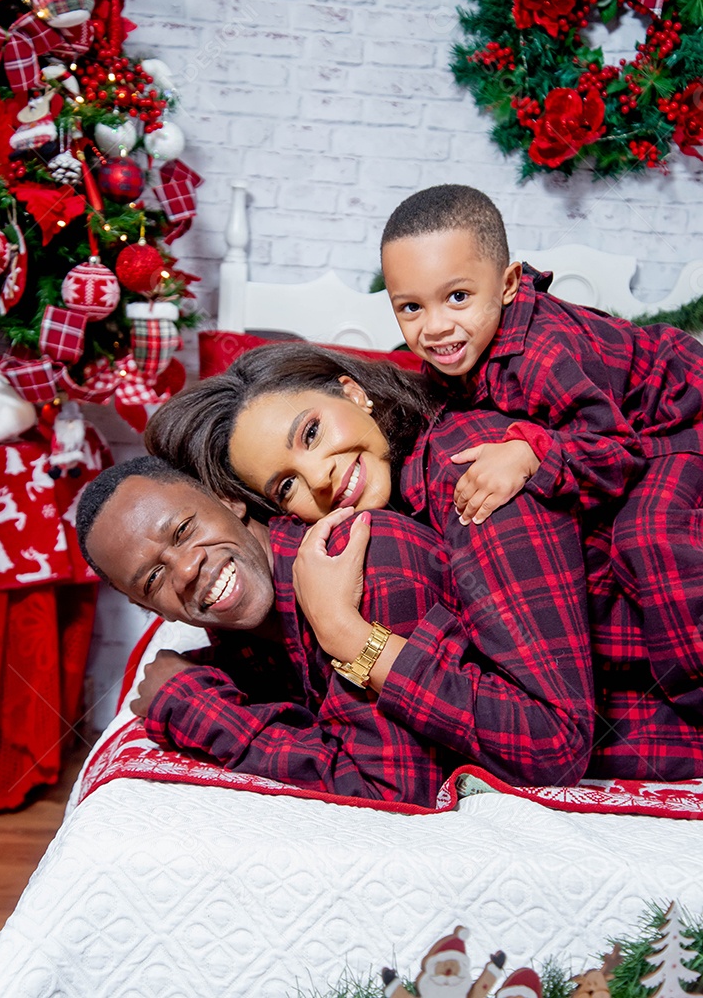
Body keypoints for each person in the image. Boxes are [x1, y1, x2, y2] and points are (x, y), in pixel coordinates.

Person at [146, 343, 703, 779]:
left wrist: (348, 636)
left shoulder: (472, 479)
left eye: (311, 432)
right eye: (286, 483)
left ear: (355, 393)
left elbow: (554, 744)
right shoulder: (379, 521)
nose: (319, 477)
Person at [76, 456, 595, 801]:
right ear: (149, 607)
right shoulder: (242, 630)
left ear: (228, 499)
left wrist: (195, 706)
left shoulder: (357, 555)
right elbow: (312, 719)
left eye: (185, 530)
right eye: (154, 577)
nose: (187, 569)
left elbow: (390, 789)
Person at [380, 184, 703, 719]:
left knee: (647, 536)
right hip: (631, 424)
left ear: (507, 284)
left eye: (457, 297)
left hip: (680, 418)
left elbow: (613, 450)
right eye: (411, 307)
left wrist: (531, 453)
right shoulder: (458, 353)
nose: (435, 326)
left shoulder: (543, 353)